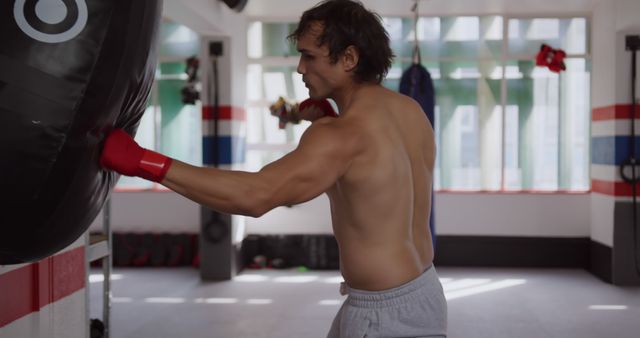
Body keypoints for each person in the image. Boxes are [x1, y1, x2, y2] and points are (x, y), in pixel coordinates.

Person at [100, 0, 447, 337]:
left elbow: (256, 195)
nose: (299, 68)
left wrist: (144, 162)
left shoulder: (340, 136)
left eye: (309, 56)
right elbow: (369, 172)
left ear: (349, 58)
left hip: (380, 315)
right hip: (424, 290)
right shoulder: (411, 112)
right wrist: (305, 114)